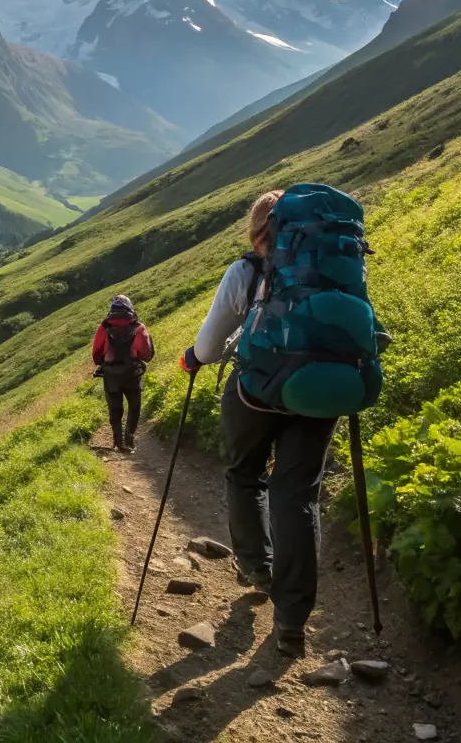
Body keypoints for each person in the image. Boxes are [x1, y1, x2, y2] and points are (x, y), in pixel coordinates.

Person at [178, 190, 337, 658]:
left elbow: (208, 349)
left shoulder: (246, 271)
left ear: (258, 229)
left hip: (258, 392)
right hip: (323, 389)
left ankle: (256, 568)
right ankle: (291, 620)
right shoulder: (335, 269)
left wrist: (191, 359)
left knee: (245, 474)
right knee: (299, 492)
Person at [90, 294, 154, 453]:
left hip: (111, 375)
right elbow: (147, 353)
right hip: (133, 374)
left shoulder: (103, 327)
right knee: (134, 407)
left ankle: (118, 441)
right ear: (130, 309)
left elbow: (96, 353)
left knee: (115, 408)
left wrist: (101, 363)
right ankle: (129, 439)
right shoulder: (139, 327)